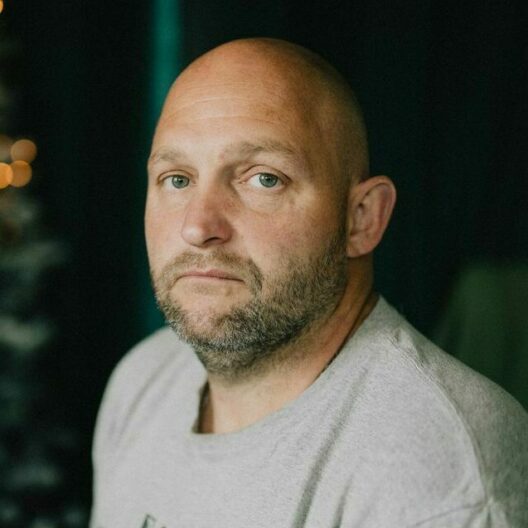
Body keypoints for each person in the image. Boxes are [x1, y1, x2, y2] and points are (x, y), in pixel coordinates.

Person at [90, 38, 528, 528]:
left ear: (362, 218)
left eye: (264, 179)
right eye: (176, 179)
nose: (198, 226)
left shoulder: (437, 473)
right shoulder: (142, 382)